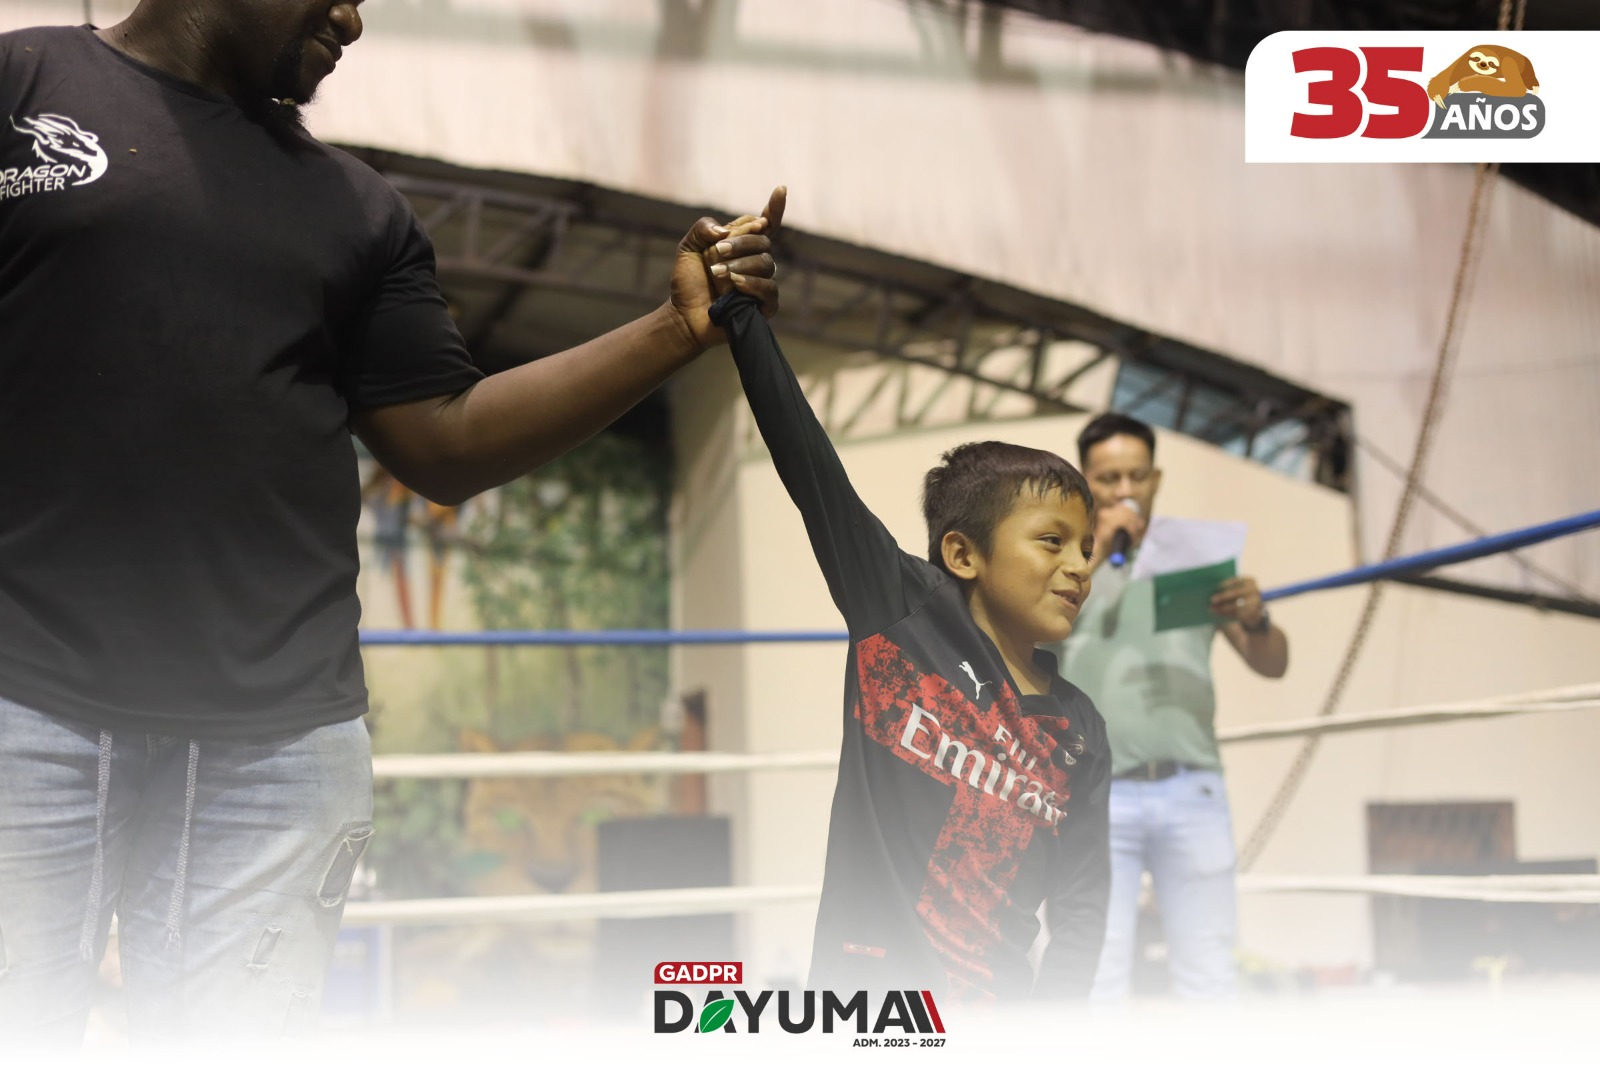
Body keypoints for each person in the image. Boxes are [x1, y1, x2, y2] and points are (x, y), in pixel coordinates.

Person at [0, 1, 781, 1041]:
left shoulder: (358, 208)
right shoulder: (26, 85)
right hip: (24, 707)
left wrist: (672, 332)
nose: (352, 19)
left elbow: (444, 441)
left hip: (273, 748)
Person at [707, 284, 1111, 1004]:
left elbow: (1081, 907)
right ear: (963, 554)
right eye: (1053, 541)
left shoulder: (1080, 730)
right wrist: (739, 313)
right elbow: (810, 466)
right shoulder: (900, 615)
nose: (1080, 566)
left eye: (1087, 547)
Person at [1044, 412, 1289, 1001]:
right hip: (1091, 793)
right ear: (1084, 482)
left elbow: (1272, 664)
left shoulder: (1192, 558)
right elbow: (1019, 647)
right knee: (1094, 977)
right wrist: (1095, 550)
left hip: (1191, 787)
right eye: (1108, 478)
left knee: (1210, 976)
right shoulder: (1060, 565)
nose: (1124, 490)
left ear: (1156, 479)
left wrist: (1256, 617)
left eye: (1136, 475)